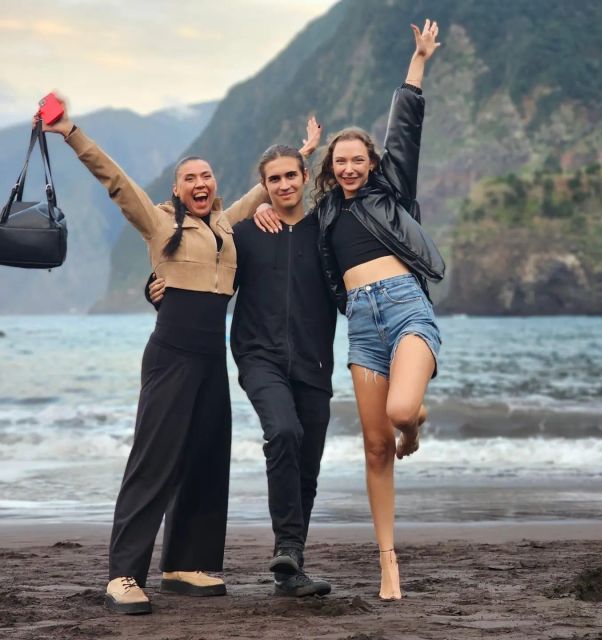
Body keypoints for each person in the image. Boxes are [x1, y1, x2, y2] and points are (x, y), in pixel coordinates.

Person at [38, 98, 315, 614]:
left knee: (207, 460)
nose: (200, 183)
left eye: (206, 175)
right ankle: (124, 573)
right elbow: (115, 181)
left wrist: (302, 153)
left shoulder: (227, 228)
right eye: (190, 177)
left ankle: (185, 564)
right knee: (154, 462)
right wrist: (69, 130)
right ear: (177, 188)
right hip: (171, 356)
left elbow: (264, 189)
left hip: (213, 359)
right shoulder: (162, 226)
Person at [255, 19, 445, 600]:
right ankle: (389, 561)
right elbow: (292, 243)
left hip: (405, 307)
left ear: (372, 162)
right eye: (340, 162)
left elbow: (405, 127)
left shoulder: (392, 193)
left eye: (359, 159)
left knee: (403, 411)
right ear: (330, 170)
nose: (350, 168)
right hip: (361, 325)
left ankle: (413, 425)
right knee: (374, 446)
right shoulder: (325, 219)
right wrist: (263, 207)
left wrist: (417, 63)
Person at [149, 141, 338, 597]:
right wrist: (157, 290)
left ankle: (290, 566)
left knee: (307, 466)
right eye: (274, 179)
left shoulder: (325, 232)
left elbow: (352, 283)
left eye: (291, 176)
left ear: (305, 178)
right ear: (264, 185)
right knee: (284, 432)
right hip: (259, 357)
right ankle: (288, 549)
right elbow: (201, 274)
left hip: (315, 362)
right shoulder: (247, 235)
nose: (283, 185)